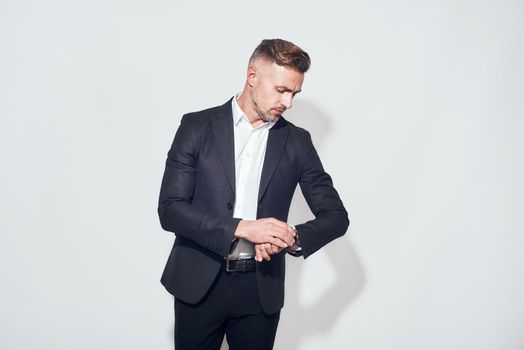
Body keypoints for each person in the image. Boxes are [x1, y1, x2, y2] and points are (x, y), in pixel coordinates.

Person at [158, 38, 349, 350]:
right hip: (199, 282)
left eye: (295, 93)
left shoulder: (297, 142)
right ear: (252, 76)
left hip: (261, 290)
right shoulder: (196, 126)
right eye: (282, 90)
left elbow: (336, 217)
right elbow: (170, 209)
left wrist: (290, 235)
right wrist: (242, 228)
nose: (289, 103)